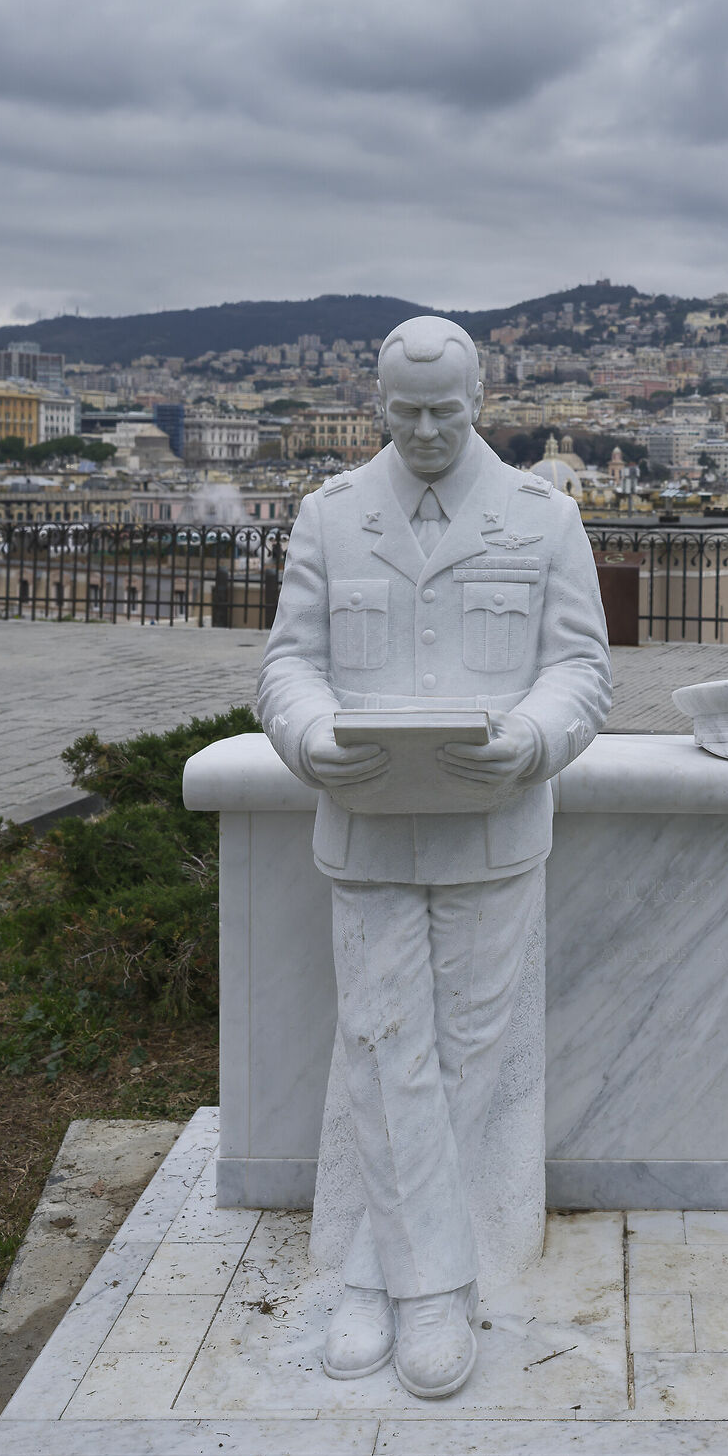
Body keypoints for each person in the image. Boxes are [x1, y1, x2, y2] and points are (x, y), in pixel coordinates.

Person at [256, 315, 611, 1398]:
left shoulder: (541, 520)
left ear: (479, 401)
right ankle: (425, 1291)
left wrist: (532, 739)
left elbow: (581, 670)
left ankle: (379, 1274)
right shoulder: (331, 516)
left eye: (443, 413)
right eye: (402, 412)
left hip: (492, 827)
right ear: (375, 401)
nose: (421, 431)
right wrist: (312, 736)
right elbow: (287, 663)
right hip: (366, 827)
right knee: (383, 1041)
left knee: (462, 1057)